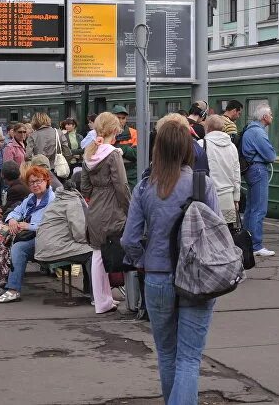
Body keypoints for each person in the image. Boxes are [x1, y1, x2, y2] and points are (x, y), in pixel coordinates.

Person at [121, 120, 219, 404]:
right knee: (189, 358)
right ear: (188, 149)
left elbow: (129, 239)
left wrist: (143, 261)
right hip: (198, 278)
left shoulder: (145, 187)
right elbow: (216, 234)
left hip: (158, 276)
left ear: (158, 149)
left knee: (167, 354)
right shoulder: (203, 184)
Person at [80, 111, 132, 315]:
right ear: (114, 129)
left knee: (97, 253)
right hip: (112, 207)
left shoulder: (89, 153)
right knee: (114, 251)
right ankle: (109, 300)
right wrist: (130, 209)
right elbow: (121, 186)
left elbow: (84, 187)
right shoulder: (112, 154)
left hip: (95, 208)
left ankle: (102, 300)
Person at [0, 165, 57, 304]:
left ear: (46, 181)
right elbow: (17, 211)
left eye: (39, 181)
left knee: (18, 248)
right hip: (28, 234)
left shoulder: (52, 200)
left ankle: (13, 290)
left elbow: (51, 225)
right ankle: (0, 284)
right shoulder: (31, 198)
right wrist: (13, 219)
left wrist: (28, 226)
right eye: (32, 182)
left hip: (44, 238)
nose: (35, 185)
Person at [241, 104, 276, 257]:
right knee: (259, 208)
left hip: (250, 170)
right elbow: (271, 155)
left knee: (250, 208)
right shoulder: (258, 133)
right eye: (270, 114)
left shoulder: (250, 129)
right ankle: (256, 245)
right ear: (264, 117)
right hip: (258, 170)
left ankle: (247, 242)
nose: (272, 117)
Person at [203, 114, 241, 226]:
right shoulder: (232, 147)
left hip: (209, 198)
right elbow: (236, 173)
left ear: (208, 128)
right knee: (226, 234)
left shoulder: (203, 144)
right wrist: (236, 198)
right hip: (228, 199)